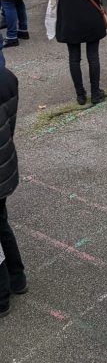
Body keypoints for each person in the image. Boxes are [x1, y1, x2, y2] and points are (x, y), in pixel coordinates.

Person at [0, 66, 24, 319]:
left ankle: (2, 297)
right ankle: (17, 277)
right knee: (2, 224)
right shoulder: (7, 78)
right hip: (6, 166)